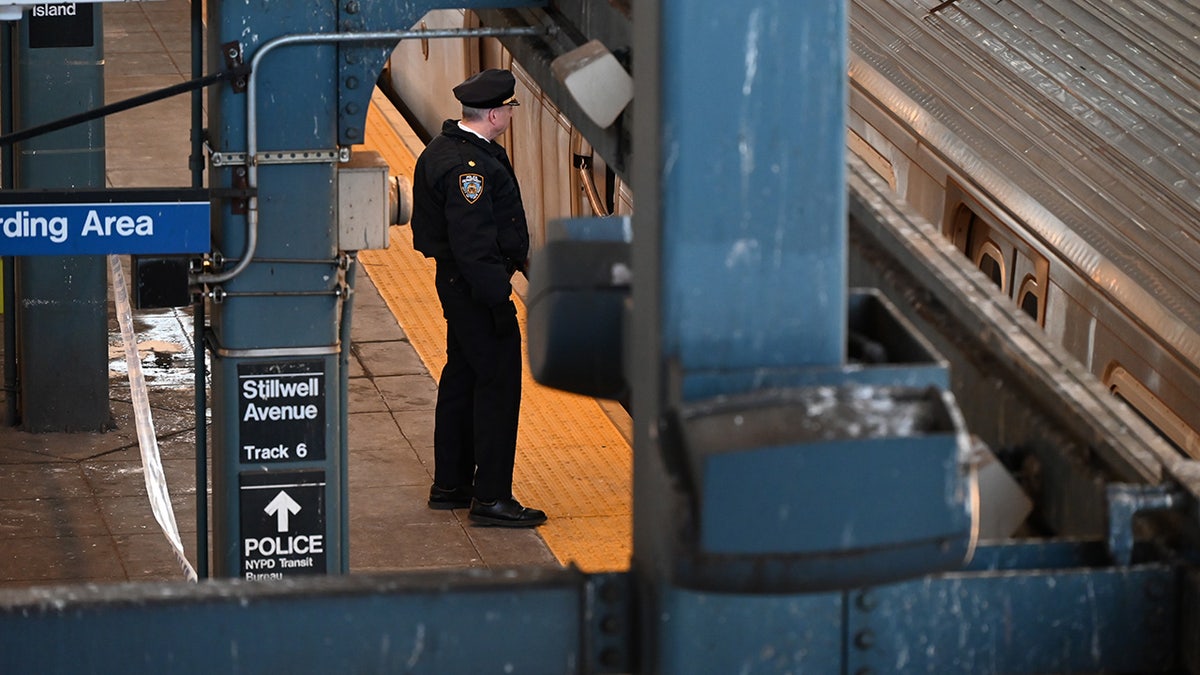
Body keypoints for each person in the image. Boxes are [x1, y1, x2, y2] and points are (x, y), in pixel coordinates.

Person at [409, 69, 546, 527]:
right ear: (494, 113)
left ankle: (450, 484)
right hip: (474, 292)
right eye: (508, 108)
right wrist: (498, 301)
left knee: (462, 378)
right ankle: (491, 497)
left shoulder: (449, 149)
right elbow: (473, 245)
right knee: (497, 389)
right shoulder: (469, 169)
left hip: (456, 286)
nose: (509, 113)